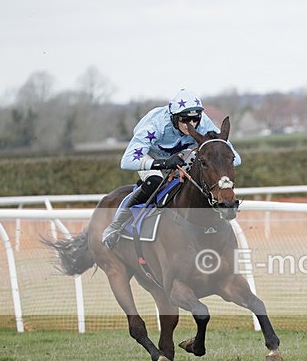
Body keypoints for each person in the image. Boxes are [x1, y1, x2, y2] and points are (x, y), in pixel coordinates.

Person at [101, 89, 241, 249]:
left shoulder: (204, 123)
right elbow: (126, 161)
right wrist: (164, 163)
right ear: (174, 117)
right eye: (185, 119)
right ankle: (116, 226)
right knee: (155, 180)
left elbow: (234, 158)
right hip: (150, 155)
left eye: (195, 119)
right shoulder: (155, 125)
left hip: (181, 154)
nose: (192, 124)